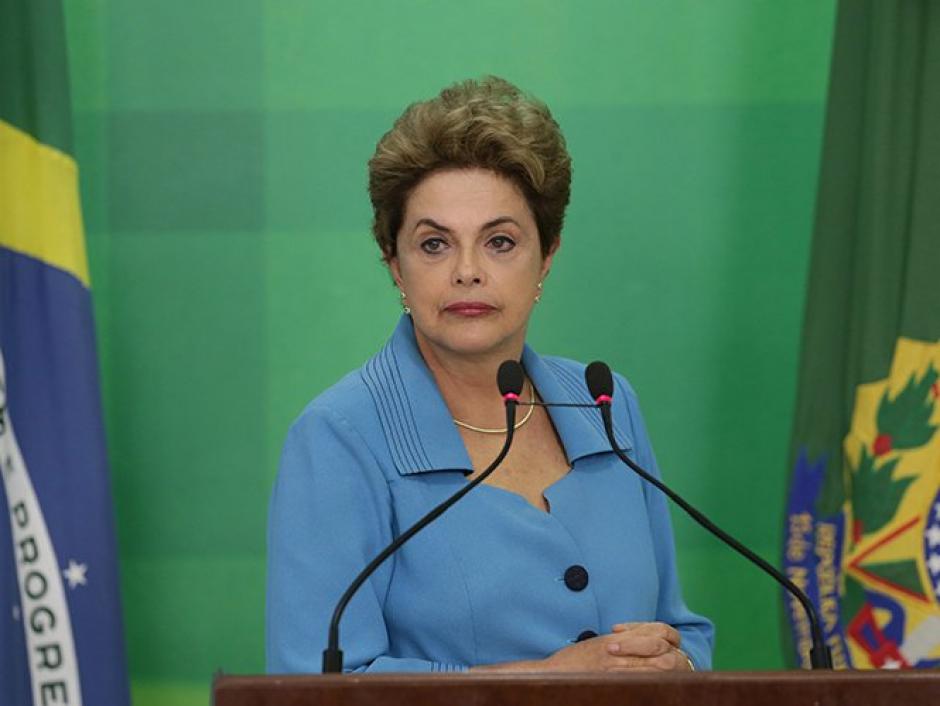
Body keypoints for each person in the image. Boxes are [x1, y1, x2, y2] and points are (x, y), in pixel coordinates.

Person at [266, 76, 714, 674]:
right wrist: (551, 682)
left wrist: (676, 666)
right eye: (434, 245)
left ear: (546, 255)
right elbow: (320, 684)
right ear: (394, 263)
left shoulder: (604, 402)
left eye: (500, 241)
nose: (468, 271)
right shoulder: (340, 436)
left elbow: (680, 630)